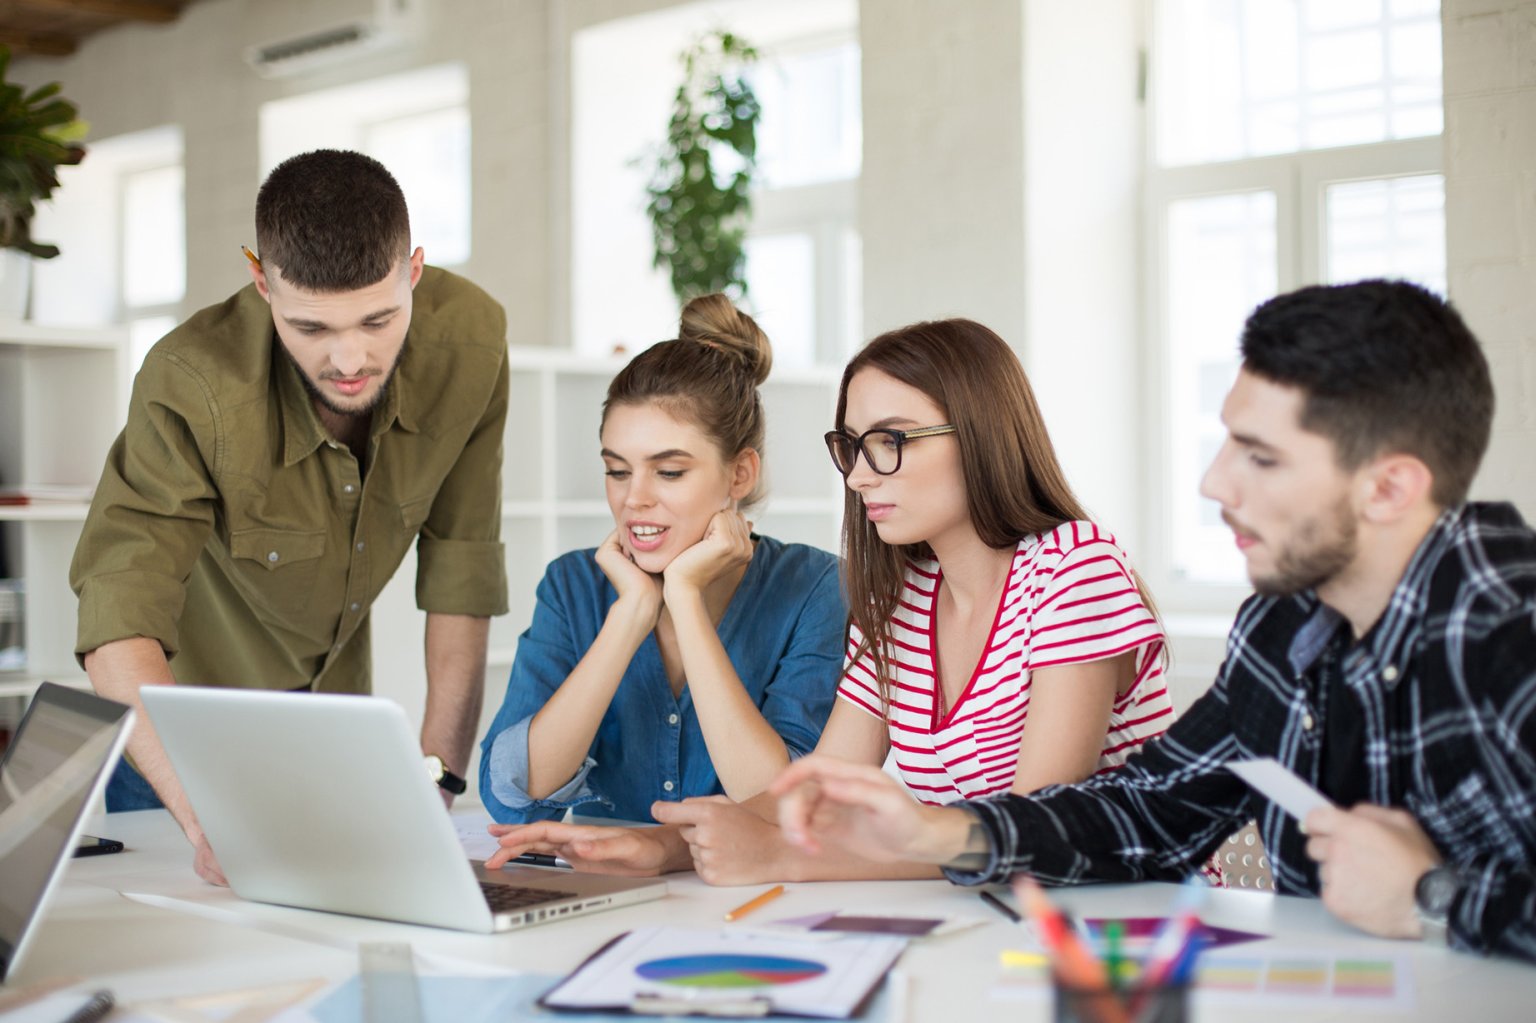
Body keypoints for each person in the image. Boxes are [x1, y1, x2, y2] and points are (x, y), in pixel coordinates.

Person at [771, 279, 1536, 962]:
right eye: (1226, 441)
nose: (1213, 482)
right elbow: (1155, 806)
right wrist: (937, 832)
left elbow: (1432, 901)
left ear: (1389, 488)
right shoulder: (1282, 626)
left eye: (1260, 456)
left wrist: (1434, 894)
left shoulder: (1508, 628)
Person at [485, 317, 1177, 882]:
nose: (858, 475)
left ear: (981, 435)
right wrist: (664, 848)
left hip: (1131, 925)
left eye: (890, 442)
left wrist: (782, 858)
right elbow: (808, 796)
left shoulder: (1074, 568)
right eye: (851, 446)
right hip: (1002, 923)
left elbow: (1030, 834)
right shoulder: (907, 599)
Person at [70, 150, 509, 885]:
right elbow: (118, 618)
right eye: (310, 326)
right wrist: (210, 818)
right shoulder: (190, 382)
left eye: (378, 319)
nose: (350, 359)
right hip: (178, 750)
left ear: (415, 271)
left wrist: (435, 782)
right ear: (261, 282)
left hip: (337, 737)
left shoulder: (471, 342)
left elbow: (461, 570)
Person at [477, 295, 845, 825]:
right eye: (618, 471)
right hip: (601, 880)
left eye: (669, 472)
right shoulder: (572, 585)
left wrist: (684, 599)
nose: (634, 499)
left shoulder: (815, 588)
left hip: (748, 881)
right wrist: (629, 617)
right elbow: (512, 797)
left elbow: (781, 808)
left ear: (740, 474)